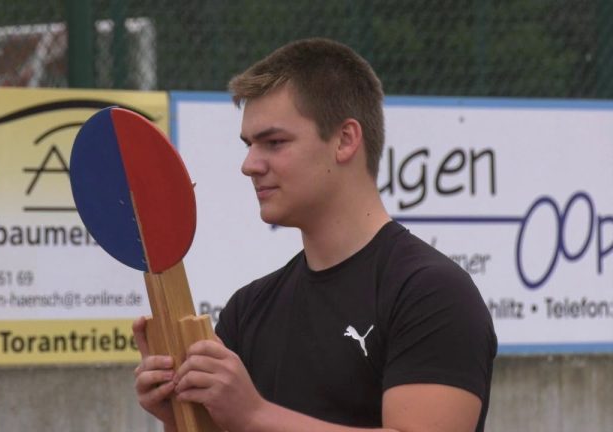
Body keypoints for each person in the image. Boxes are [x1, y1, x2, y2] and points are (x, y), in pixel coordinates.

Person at [133, 37, 497, 432]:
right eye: (249, 145)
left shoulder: (431, 293)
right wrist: (181, 418)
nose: (250, 165)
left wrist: (254, 415)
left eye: (274, 143)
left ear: (345, 140)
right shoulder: (248, 309)